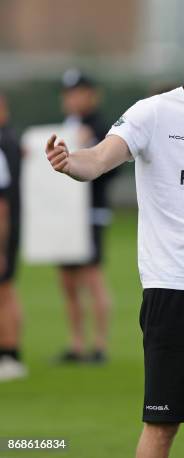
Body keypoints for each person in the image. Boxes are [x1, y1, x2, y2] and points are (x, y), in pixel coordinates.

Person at [46, 20, 184, 458]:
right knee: (162, 425)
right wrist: (69, 162)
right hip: (173, 293)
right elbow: (99, 158)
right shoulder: (153, 113)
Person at [57, 69, 117, 363]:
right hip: (65, 215)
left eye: (78, 92)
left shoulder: (103, 127)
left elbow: (112, 167)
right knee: (67, 279)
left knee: (92, 277)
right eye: (68, 94)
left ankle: (99, 344)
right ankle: (76, 342)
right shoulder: (64, 127)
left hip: (91, 212)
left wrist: (89, 144)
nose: (72, 99)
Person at [0, 93, 27, 382]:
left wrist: (1, 247)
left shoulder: (4, 141)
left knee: (4, 292)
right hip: (9, 226)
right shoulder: (11, 139)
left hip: (4, 229)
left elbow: (2, 204)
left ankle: (10, 354)